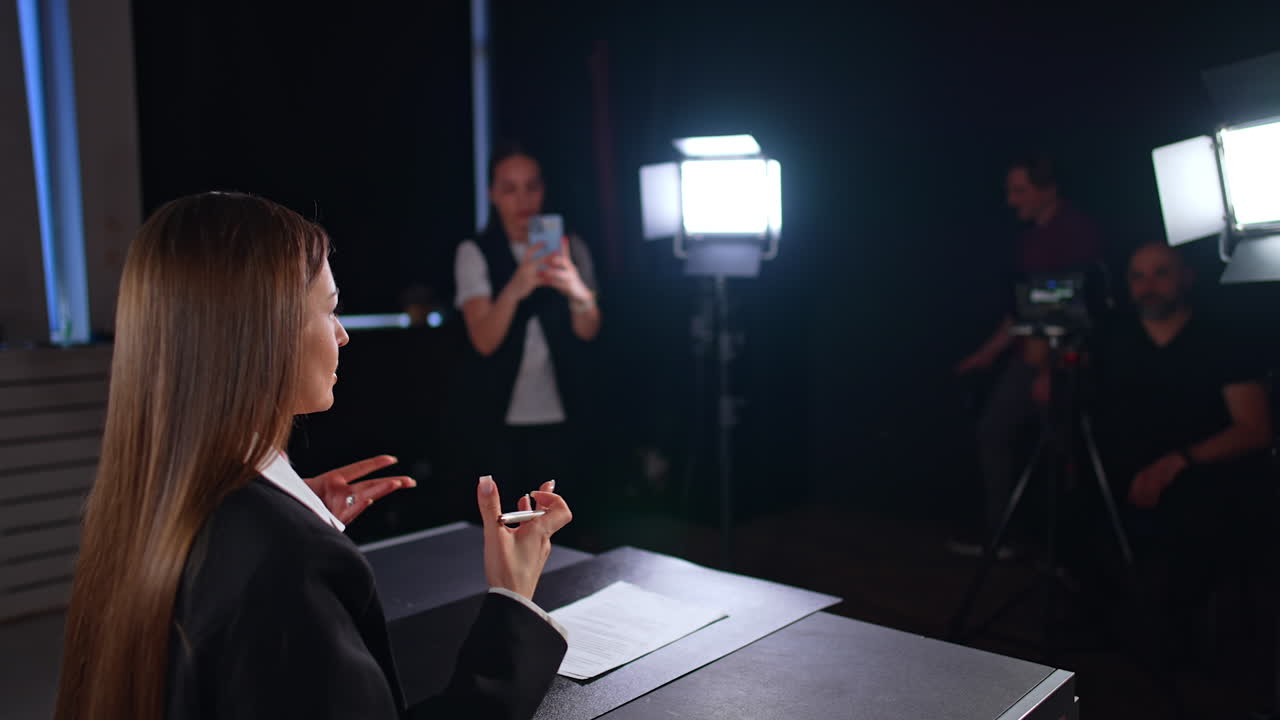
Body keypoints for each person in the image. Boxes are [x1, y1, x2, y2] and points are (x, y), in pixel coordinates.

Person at [54, 192, 572, 720]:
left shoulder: (141, 505)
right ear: (259, 333)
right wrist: (514, 600)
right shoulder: (287, 564)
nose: (344, 335)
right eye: (329, 309)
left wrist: (290, 510)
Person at [1091, 240, 1271, 661]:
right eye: (1138, 276)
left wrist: (1178, 462)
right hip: (1119, 475)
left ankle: (1175, 640)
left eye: (1161, 273)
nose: (1148, 286)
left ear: (1186, 277)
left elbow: (1254, 429)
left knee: (1194, 533)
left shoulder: (1223, 340)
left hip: (1201, 474)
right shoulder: (1112, 339)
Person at [953, 153, 1105, 549]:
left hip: (1061, 360)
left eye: (1020, 190)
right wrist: (986, 354)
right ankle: (1009, 537)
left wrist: (1047, 373)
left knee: (1063, 450)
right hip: (1035, 358)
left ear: (1048, 189)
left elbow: (1072, 309)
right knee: (1008, 436)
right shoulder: (1032, 240)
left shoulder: (1077, 232)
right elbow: (1026, 311)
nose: (1011, 200)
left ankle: (1069, 549)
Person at [453, 143, 602, 506]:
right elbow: (484, 341)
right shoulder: (475, 251)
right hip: (498, 421)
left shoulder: (570, 248)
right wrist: (517, 286)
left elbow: (590, 330)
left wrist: (576, 290)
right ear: (493, 194)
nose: (523, 199)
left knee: (565, 523)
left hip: (565, 414)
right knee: (506, 524)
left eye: (531, 187)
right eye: (510, 188)